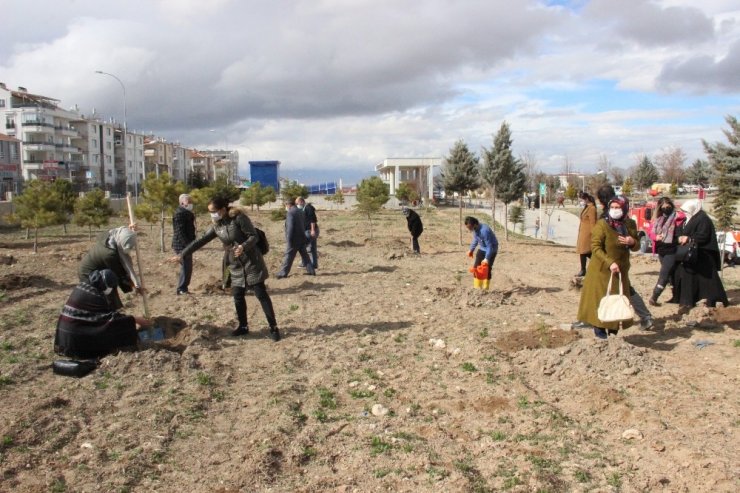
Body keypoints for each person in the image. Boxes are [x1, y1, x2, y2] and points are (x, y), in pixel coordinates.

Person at [171, 196, 281, 341]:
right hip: (234, 264)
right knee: (238, 296)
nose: (212, 214)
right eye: (210, 212)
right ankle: (243, 326)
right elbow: (200, 241)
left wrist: (243, 246)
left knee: (261, 294)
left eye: (214, 211)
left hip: (251, 262)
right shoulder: (217, 226)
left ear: (223, 209)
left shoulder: (239, 218)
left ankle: (273, 327)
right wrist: (182, 254)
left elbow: (253, 236)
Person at [576, 195, 639, 339]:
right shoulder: (602, 224)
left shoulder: (629, 224)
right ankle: (600, 336)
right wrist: (610, 262)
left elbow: (637, 245)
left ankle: (613, 335)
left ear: (624, 208)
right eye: (612, 207)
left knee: (616, 303)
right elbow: (596, 247)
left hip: (620, 271)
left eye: (618, 207)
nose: (615, 210)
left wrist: (632, 242)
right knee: (599, 303)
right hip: (601, 271)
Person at [55, 269, 150, 359]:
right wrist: (134, 319)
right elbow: (109, 320)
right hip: (76, 343)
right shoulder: (94, 296)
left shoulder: (84, 286)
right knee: (118, 326)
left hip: (66, 340)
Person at [672, 199, 728, 309]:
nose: (685, 212)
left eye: (687, 210)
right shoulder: (687, 219)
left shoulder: (703, 219)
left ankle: (713, 300)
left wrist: (689, 238)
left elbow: (704, 235)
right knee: (688, 278)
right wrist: (679, 238)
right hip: (691, 256)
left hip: (703, 255)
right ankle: (687, 301)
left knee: (708, 281)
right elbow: (679, 231)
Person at [79, 224, 144, 310]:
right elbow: (120, 274)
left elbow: (122, 235)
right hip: (89, 274)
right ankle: (109, 318)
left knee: (110, 295)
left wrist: (128, 231)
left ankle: (113, 315)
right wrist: (135, 286)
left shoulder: (110, 236)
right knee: (104, 298)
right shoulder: (109, 255)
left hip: (97, 271)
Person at [648, 197, 683, 306]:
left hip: (672, 250)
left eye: (668, 206)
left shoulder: (677, 218)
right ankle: (676, 296)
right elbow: (650, 232)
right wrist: (656, 237)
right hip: (661, 251)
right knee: (670, 274)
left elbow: (679, 232)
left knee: (664, 274)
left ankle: (654, 297)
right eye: (663, 207)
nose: (666, 208)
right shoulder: (659, 219)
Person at [276, 197, 315, 278]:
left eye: (285, 205)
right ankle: (311, 271)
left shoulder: (291, 212)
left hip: (294, 239)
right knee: (305, 255)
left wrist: (289, 240)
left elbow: (290, 228)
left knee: (288, 256)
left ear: (288, 205)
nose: (285, 207)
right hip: (302, 237)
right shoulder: (299, 211)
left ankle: (283, 273)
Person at [172, 193, 196, 295]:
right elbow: (180, 232)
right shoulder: (179, 213)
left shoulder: (186, 212)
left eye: (191, 201)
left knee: (187, 266)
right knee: (186, 266)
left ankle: (183, 287)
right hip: (181, 245)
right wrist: (187, 245)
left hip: (187, 243)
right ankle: (181, 289)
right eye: (188, 202)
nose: (190, 204)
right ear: (182, 203)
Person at [464, 216, 498, 285]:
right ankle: (477, 287)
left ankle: (485, 288)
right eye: (468, 228)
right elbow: (476, 239)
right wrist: (471, 249)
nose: (470, 230)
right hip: (483, 248)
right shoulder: (475, 230)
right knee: (476, 268)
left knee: (486, 269)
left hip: (492, 249)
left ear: (475, 224)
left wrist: (486, 258)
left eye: (470, 227)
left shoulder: (485, 230)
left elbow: (489, 246)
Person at [575, 192, 597, 277]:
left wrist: (594, 234)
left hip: (588, 234)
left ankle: (585, 269)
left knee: (585, 252)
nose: (581, 201)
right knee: (583, 252)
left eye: (582, 199)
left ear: (586, 199)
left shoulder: (592, 208)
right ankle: (583, 269)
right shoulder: (586, 207)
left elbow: (593, 222)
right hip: (583, 233)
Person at [297, 196, 319, 269]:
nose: (297, 205)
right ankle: (314, 264)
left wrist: (312, 230)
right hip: (309, 230)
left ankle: (305, 263)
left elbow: (313, 220)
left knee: (305, 247)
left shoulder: (308, 208)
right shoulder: (304, 208)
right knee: (312, 248)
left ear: (301, 201)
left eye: (298, 203)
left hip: (310, 231)